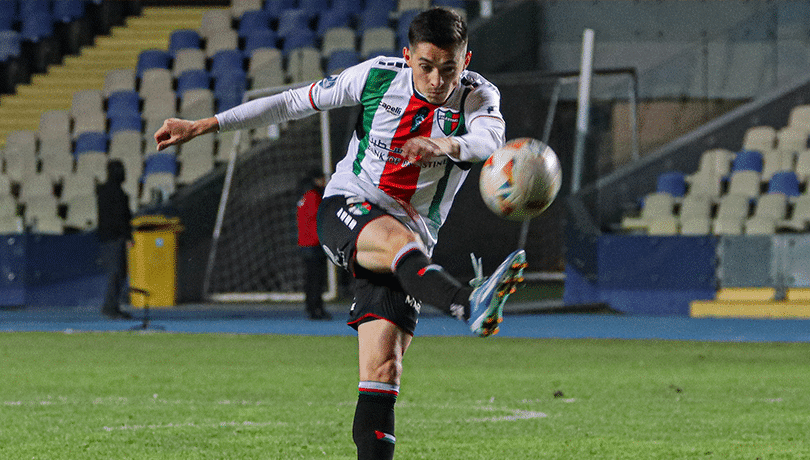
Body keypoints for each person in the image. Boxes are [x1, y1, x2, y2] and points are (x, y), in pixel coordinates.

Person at [153, 8, 526, 459]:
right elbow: (292, 101)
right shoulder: (374, 78)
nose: (436, 80)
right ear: (408, 57)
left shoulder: (478, 96)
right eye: (425, 67)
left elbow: (491, 142)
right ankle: (468, 301)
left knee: (383, 369)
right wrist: (203, 125)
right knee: (395, 242)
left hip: (414, 240)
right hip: (349, 207)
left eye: (448, 69)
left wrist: (448, 143)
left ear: (466, 61)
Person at [96, 159, 133, 319]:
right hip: (116, 238)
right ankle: (110, 306)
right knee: (116, 274)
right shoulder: (118, 194)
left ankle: (112, 305)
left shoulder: (102, 191)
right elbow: (121, 218)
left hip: (106, 237)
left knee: (116, 274)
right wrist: (127, 236)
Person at [297, 168, 331, 320]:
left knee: (311, 278)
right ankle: (316, 308)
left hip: (305, 242)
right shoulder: (313, 196)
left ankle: (312, 306)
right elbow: (319, 217)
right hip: (314, 243)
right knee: (316, 278)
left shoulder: (304, 196)